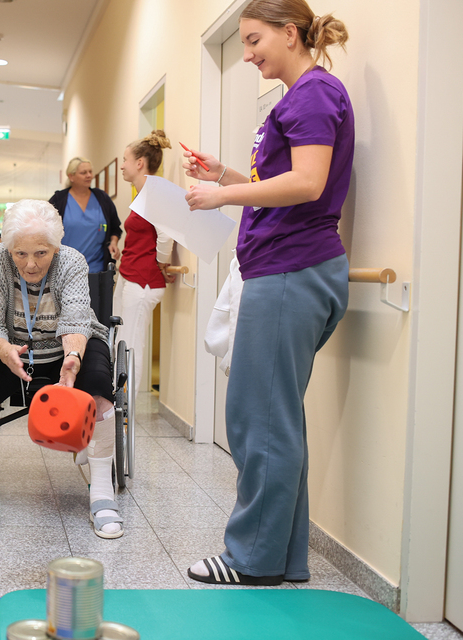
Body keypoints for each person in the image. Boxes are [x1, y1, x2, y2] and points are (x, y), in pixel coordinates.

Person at [182, 0, 352, 585]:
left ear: (291, 32)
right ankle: (282, 558)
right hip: (287, 269)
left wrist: (221, 197)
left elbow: (308, 182)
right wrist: (223, 174)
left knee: (260, 420)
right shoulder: (300, 96)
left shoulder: (312, 93)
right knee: (277, 418)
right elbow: (280, 183)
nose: (249, 54)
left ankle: (251, 560)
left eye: (255, 40)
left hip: (291, 270)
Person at [0, 199, 122, 539]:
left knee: (99, 384)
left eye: (41, 253)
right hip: (12, 347)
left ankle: (103, 494)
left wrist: (72, 357)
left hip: (69, 346)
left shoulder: (71, 261)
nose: (30, 264)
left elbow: (76, 318)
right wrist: (4, 351)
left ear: (56, 247)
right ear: (9, 247)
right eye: (21, 253)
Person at [115, 131, 177, 395]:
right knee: (121, 341)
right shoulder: (143, 194)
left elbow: (166, 235)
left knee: (131, 345)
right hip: (130, 275)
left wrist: (161, 264)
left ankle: (127, 407)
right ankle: (118, 404)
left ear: (140, 163)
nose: (122, 165)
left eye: (125, 159)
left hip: (143, 281)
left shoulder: (154, 193)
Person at [49, 158, 122, 319]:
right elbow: (46, 229)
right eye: (83, 172)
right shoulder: (59, 200)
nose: (89, 175)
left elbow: (115, 227)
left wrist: (114, 243)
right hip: (65, 270)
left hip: (96, 269)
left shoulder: (102, 198)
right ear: (71, 176)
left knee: (96, 315)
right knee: (67, 315)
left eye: (90, 171)